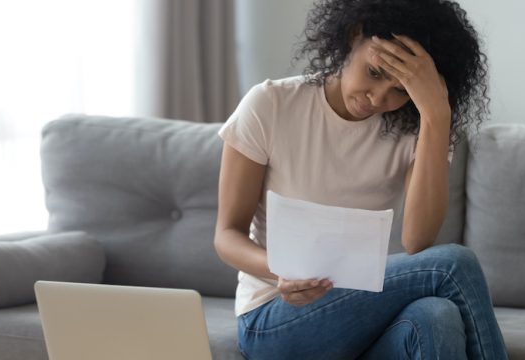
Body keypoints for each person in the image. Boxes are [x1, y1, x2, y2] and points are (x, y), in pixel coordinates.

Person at [213, 0, 508, 358]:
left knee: (436, 316)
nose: (378, 98)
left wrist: (436, 114)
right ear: (353, 36)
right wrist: (280, 272)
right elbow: (226, 235)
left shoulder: (418, 128)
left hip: (360, 316)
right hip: (275, 316)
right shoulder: (271, 104)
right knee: (455, 264)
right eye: (375, 72)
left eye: (401, 91)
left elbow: (417, 239)